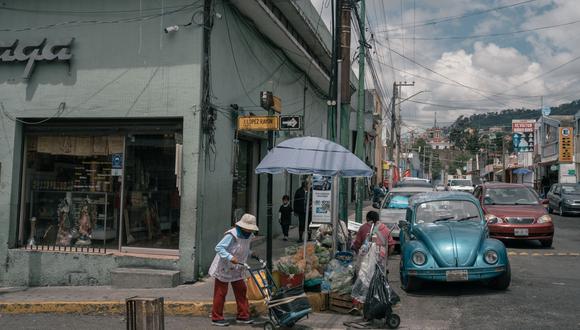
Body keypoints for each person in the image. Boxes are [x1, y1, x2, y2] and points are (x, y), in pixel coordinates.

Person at [209, 214, 259, 327]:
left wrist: (251, 253)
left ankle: (243, 315)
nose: (251, 230)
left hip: (237, 267)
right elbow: (219, 248)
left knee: (241, 289)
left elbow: (243, 248)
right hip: (225, 266)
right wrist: (230, 257)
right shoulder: (232, 235)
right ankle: (216, 317)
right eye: (249, 227)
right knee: (221, 292)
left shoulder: (249, 235)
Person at [351, 211, 395, 306]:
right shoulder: (386, 229)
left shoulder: (363, 228)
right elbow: (391, 246)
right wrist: (386, 258)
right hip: (381, 260)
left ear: (367, 219)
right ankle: (380, 299)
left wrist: (355, 250)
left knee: (364, 280)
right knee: (380, 279)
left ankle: (362, 301)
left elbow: (357, 244)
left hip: (366, 261)